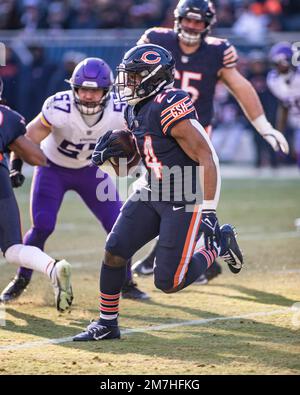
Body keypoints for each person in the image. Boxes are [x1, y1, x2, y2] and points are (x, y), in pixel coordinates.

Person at [73, 43, 244, 341]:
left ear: (154, 77)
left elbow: (207, 156)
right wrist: (114, 159)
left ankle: (217, 245)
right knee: (115, 250)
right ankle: (107, 323)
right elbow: (139, 161)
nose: (129, 83)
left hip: (182, 195)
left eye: (136, 77)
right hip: (150, 188)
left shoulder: (169, 104)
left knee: (169, 281)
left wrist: (209, 211)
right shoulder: (133, 107)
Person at [132, 0, 289, 281]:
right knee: (163, 192)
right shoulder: (156, 39)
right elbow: (132, 74)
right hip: (156, 129)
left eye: (199, 22)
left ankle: (194, 251)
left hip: (192, 132)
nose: (193, 27)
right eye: (188, 20)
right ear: (178, 19)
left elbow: (240, 86)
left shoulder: (217, 51)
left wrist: (263, 125)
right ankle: (199, 255)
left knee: (179, 195)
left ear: (208, 25)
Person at [0, 58, 149, 304]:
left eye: (95, 90)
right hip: (52, 169)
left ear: (107, 90)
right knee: (43, 226)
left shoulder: (120, 110)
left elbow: (140, 139)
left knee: (119, 224)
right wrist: (16, 166)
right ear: (74, 88)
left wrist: (137, 160)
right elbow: (27, 138)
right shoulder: (58, 107)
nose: (89, 96)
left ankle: (126, 282)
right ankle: (21, 278)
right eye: (84, 89)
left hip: (92, 171)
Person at [0, 77, 72, 312]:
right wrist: (14, 163)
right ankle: (52, 268)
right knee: (12, 249)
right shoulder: (7, 117)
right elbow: (37, 157)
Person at [267, 42, 300, 168]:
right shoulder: (274, 80)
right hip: (296, 121)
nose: (280, 66)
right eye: (277, 63)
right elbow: (284, 106)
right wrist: (279, 133)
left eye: (282, 62)